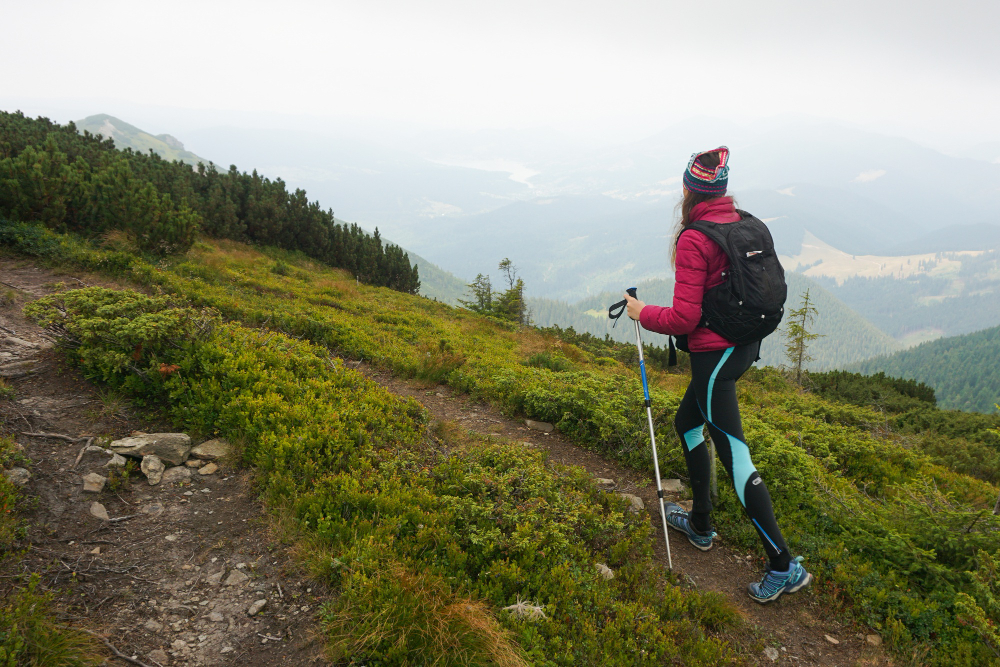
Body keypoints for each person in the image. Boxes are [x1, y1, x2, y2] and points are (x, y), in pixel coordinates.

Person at [623, 146, 812, 604]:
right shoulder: (742, 222)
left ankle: (783, 565)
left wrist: (640, 311)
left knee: (738, 459)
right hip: (743, 347)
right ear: (722, 188)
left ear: (690, 190)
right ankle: (702, 524)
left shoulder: (694, 238)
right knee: (686, 424)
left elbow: (684, 319)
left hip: (714, 359)